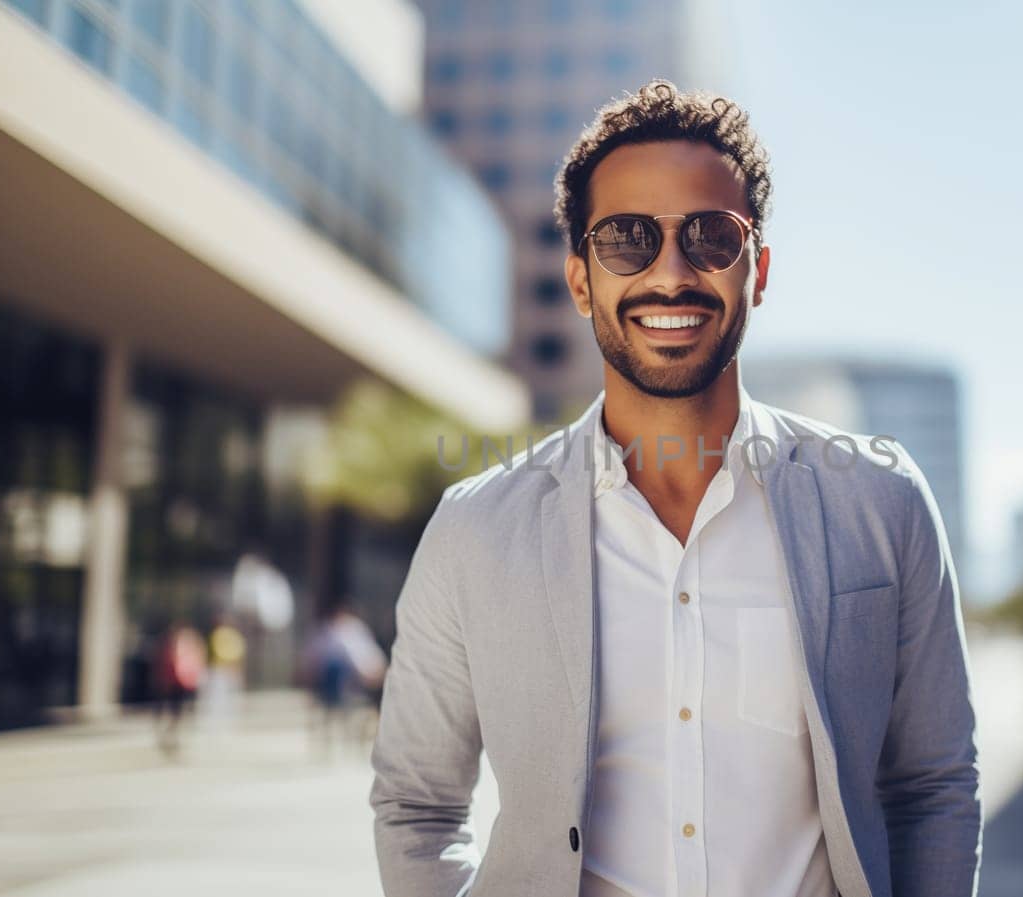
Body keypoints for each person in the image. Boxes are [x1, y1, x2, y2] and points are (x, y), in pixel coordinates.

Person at [369, 80, 982, 897]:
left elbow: (933, 785)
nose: (670, 273)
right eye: (626, 239)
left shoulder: (883, 502)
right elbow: (417, 805)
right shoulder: (474, 530)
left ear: (756, 271)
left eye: (710, 237)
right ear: (581, 280)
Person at [302, 601, 388, 757]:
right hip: (337, 682)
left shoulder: (355, 630)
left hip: (359, 679)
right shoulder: (328, 633)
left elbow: (366, 655)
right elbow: (313, 660)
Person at [150, 619, 206, 758]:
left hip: (181, 682)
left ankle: (171, 736)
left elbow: (194, 664)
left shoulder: (188, 645)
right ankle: (166, 736)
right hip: (169, 682)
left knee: (177, 712)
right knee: (166, 711)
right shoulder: (169, 645)